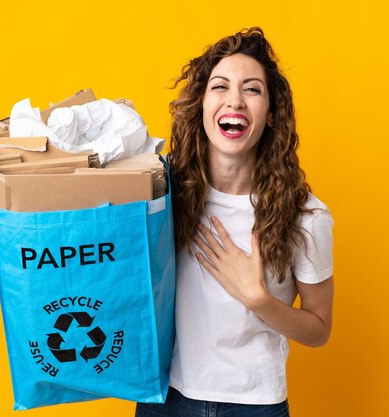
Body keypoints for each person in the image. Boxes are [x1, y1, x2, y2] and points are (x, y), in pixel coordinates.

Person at [136, 27, 334, 417]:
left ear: (271, 113)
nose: (235, 101)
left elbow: (319, 329)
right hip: (165, 397)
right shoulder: (160, 189)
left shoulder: (306, 215)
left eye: (253, 90)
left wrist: (258, 299)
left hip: (255, 405)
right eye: (221, 87)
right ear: (201, 103)